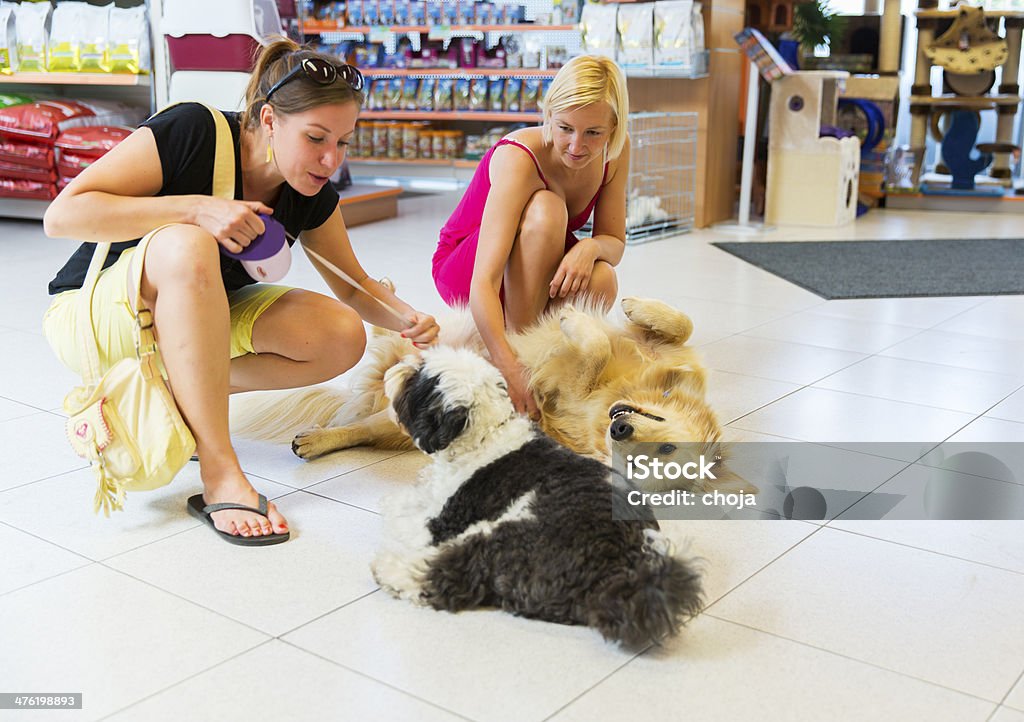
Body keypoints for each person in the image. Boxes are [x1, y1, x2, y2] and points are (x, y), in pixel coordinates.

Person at [42, 38, 439, 545]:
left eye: (343, 141)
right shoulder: (193, 129)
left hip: (190, 327)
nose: (330, 159)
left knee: (339, 333)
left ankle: (181, 397)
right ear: (269, 120)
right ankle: (219, 469)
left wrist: (409, 319)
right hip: (97, 313)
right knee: (187, 245)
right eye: (316, 137)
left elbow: (355, 286)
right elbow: (63, 215)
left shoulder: (308, 194)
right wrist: (195, 210)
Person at [431, 54, 630, 419]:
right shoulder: (518, 156)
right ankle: (522, 357)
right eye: (565, 127)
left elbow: (614, 241)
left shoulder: (615, 153)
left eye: (594, 133)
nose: (575, 145)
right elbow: (484, 280)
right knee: (548, 208)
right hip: (466, 265)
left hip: (533, 255)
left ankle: (545, 365)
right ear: (549, 114)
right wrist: (509, 365)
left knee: (602, 278)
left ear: (614, 129)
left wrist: (589, 247)